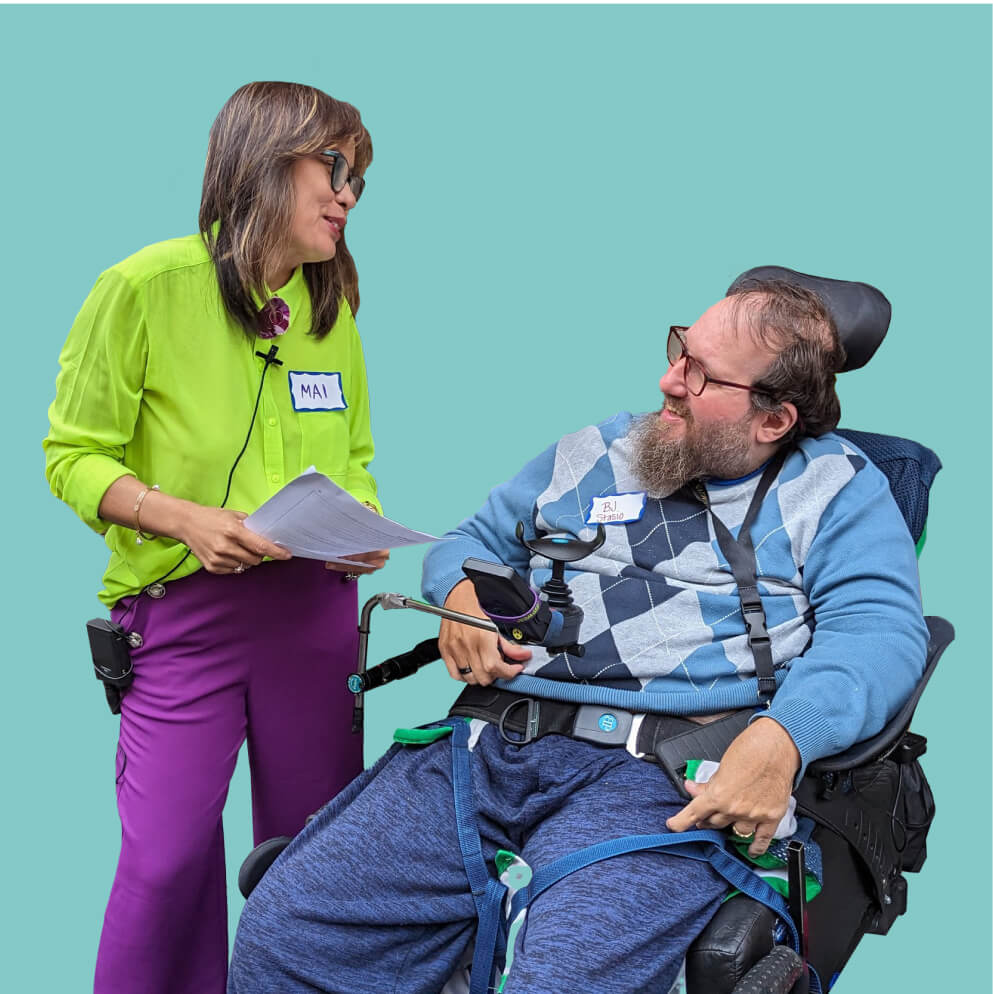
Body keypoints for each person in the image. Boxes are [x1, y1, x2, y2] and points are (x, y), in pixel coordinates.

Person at [227, 279, 928, 994]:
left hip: (656, 773)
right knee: (286, 934)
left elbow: (880, 634)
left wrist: (783, 738)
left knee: (560, 979)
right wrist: (460, 595)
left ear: (772, 420)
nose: (668, 380)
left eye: (699, 373)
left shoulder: (840, 488)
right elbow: (469, 540)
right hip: (489, 745)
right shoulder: (599, 448)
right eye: (678, 349)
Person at [44, 81, 389, 994]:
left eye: (358, 176)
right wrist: (179, 517)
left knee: (312, 858)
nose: (349, 192)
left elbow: (352, 457)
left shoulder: (331, 311)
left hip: (312, 617)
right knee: (164, 863)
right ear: (268, 161)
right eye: (334, 167)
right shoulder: (143, 289)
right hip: (182, 617)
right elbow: (72, 456)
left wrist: (356, 526)